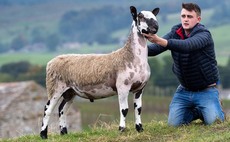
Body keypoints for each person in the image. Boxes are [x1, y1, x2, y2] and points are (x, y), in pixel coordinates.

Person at [143, 2, 225, 126]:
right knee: (173, 125)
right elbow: (155, 49)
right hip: (184, 91)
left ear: (198, 19)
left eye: (189, 16)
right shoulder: (175, 32)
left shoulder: (204, 35)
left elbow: (187, 46)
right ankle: (199, 112)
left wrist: (159, 40)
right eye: (183, 16)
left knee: (215, 123)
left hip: (206, 90)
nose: (185, 19)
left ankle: (212, 107)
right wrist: (134, 50)